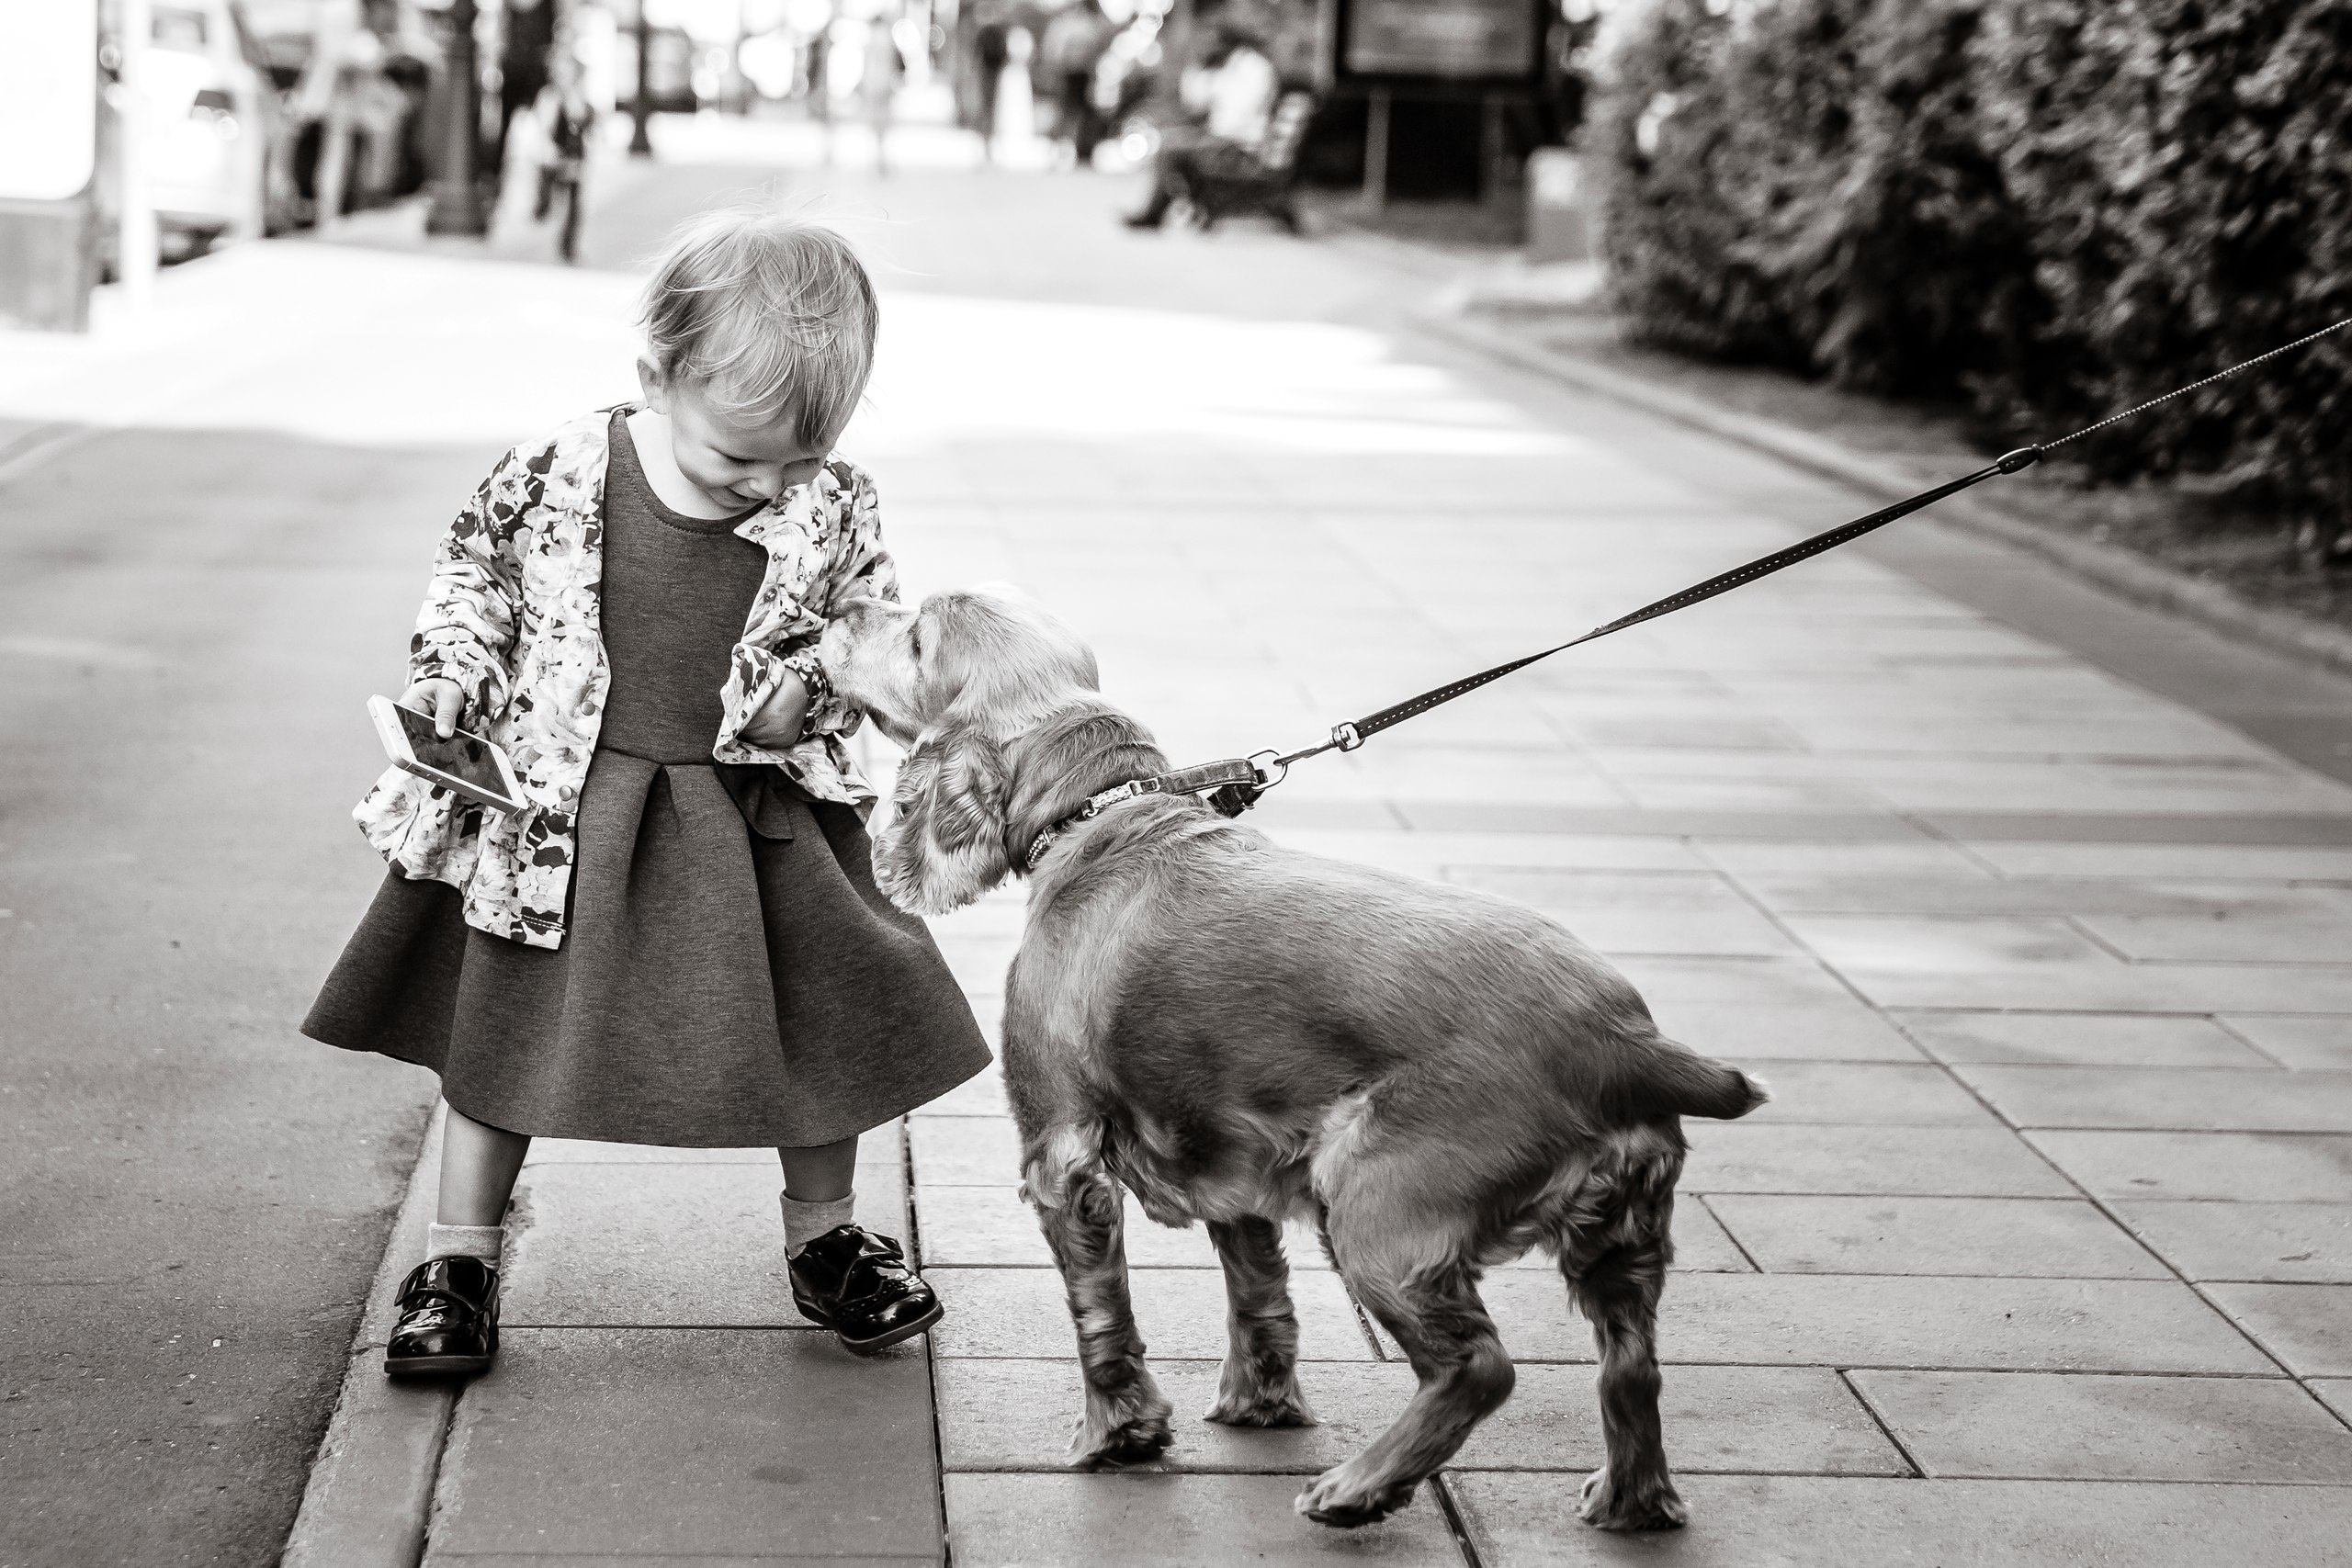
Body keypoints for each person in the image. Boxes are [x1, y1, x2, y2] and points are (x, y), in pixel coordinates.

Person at [302, 209, 991, 1377]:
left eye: (801, 462)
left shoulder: (836, 506)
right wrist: (452, 677)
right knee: (504, 1032)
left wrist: (808, 697)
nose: (768, 487)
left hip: (758, 812)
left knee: (819, 1019)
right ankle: (457, 1262)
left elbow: (861, 633)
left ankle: (827, 1240)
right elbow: (476, 575)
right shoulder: (560, 468)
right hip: (574, 810)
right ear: (656, 378)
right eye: (738, 460)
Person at [1122, 19, 1279, 229]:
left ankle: (1158, 214)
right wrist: (1197, 64)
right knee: (1168, 143)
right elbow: (1194, 100)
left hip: (1241, 144)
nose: (1209, 47)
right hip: (1223, 139)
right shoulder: (1228, 67)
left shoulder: (1253, 67)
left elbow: (1239, 114)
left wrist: (1212, 132)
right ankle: (1173, 210)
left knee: (1172, 150)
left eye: (1213, 43)